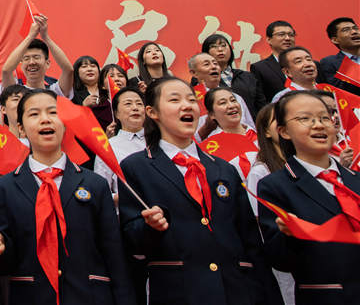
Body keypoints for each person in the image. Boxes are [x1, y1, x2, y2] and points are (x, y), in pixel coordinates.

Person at [118, 77, 277, 305]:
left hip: (235, 291)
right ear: (152, 112)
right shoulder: (136, 167)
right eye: (175, 99)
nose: (187, 105)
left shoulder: (223, 168)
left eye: (191, 100)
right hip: (179, 292)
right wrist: (149, 226)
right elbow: (131, 239)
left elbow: (250, 241)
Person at [0, 89, 134, 305]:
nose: (45, 119)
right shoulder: (5, 187)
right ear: (21, 129)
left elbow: (113, 252)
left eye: (53, 112)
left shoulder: (95, 184)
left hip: (90, 296)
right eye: (34, 114)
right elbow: (3, 263)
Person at [257, 90, 360, 304]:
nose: (319, 125)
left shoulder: (355, 179)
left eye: (325, 117)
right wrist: (290, 234)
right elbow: (279, 260)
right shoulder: (276, 186)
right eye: (305, 119)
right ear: (284, 131)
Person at [243, 103, 295, 304]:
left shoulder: (299, 162)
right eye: (277, 121)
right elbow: (260, 221)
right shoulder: (260, 172)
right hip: (283, 251)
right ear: (265, 131)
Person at [94, 87, 146, 203]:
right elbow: (102, 193)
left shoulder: (159, 141)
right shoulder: (109, 147)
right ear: (116, 113)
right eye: (128, 104)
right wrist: (126, 197)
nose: (135, 108)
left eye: (139, 104)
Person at [191, 53, 256, 139]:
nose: (213, 67)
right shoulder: (191, 101)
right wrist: (206, 129)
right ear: (194, 73)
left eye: (215, 63)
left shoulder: (235, 97)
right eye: (207, 64)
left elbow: (249, 126)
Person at [202, 33, 268, 117]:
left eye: (223, 45)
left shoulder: (247, 76)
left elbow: (261, 106)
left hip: (250, 127)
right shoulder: (201, 79)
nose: (220, 49)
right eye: (214, 46)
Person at [0, 15, 69, 91]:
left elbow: (68, 70)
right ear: (21, 64)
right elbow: (6, 71)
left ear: (47, 63)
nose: (31, 62)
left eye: (36, 57)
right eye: (26, 58)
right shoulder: (16, 93)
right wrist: (30, 36)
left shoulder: (55, 91)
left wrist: (46, 37)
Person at [204, 88, 258, 180]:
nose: (231, 105)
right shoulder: (210, 148)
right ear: (212, 114)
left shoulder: (260, 135)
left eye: (233, 100)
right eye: (223, 103)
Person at [251, 21, 297, 101]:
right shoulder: (260, 68)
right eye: (281, 34)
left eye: (291, 35)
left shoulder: (311, 65)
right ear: (269, 40)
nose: (287, 38)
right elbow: (261, 100)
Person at [318, 17, 360, 94]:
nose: (354, 32)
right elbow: (337, 90)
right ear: (335, 40)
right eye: (346, 30)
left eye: (356, 28)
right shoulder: (330, 62)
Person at [70, 55, 113, 130]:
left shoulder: (108, 89)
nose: (89, 69)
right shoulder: (71, 93)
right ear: (77, 72)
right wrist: (84, 106)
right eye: (84, 67)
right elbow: (69, 120)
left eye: (93, 66)